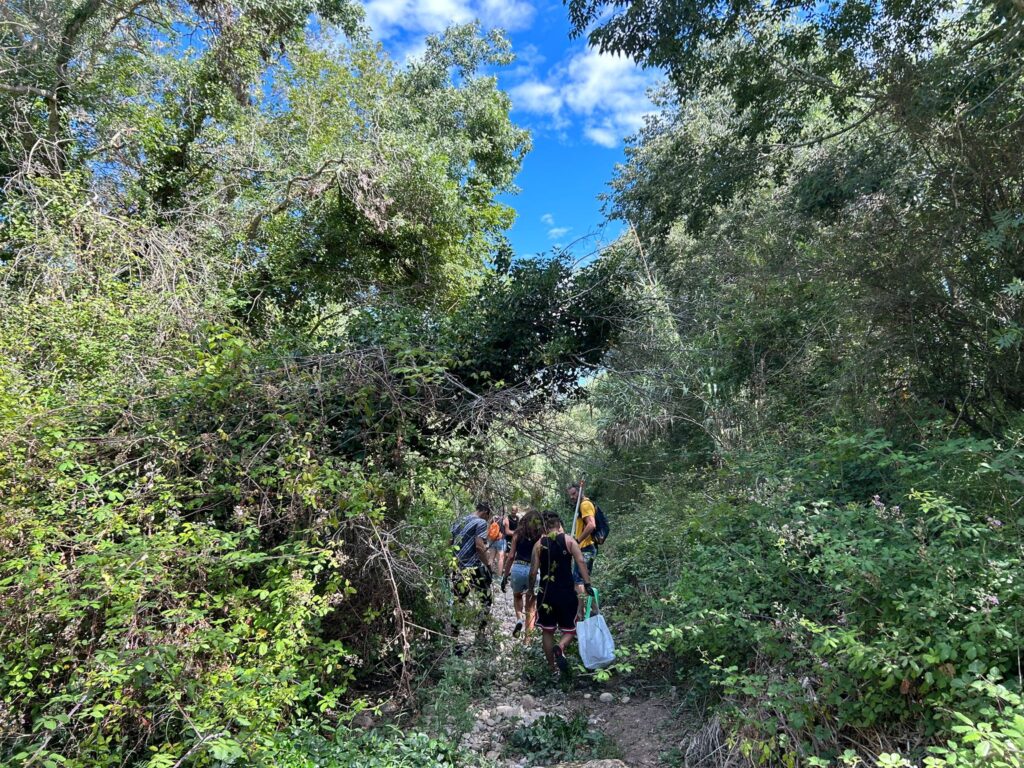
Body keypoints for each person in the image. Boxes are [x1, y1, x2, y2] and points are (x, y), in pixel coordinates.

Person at [529, 511, 594, 675]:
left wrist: (530, 590)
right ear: (559, 526)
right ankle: (561, 645)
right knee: (571, 627)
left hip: (546, 594)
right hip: (566, 592)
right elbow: (580, 561)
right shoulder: (569, 540)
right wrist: (587, 583)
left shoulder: (539, 544)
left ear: (545, 527)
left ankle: (552, 668)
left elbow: (533, 571)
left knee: (547, 630)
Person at [450, 501, 494, 637]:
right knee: (486, 599)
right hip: (474, 568)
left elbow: (450, 542)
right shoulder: (481, 523)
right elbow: (479, 546)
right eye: (488, 516)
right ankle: (480, 632)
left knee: (459, 600)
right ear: (485, 512)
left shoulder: (459, 520)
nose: (488, 519)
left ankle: (454, 635)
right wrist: (488, 565)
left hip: (458, 567)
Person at [502, 509, 543, 641]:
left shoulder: (517, 533)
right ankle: (527, 640)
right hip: (534, 569)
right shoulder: (541, 536)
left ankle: (519, 619)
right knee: (531, 606)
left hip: (518, 568)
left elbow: (511, 556)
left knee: (517, 596)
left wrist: (505, 576)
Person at [566, 483, 599, 598]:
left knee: (579, 581)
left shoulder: (585, 504)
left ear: (580, 491)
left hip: (586, 548)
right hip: (584, 548)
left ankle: (581, 608)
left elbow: (591, 525)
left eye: (574, 494)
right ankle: (591, 608)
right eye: (570, 495)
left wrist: (578, 541)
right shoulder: (581, 505)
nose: (572, 497)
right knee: (583, 582)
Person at [488, 510, 510, 575]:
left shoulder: (493, 518)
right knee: (500, 559)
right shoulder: (505, 519)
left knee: (491, 557)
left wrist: (488, 538)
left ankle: (488, 573)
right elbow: (507, 532)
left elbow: (489, 529)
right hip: (501, 540)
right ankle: (499, 575)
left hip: (492, 540)